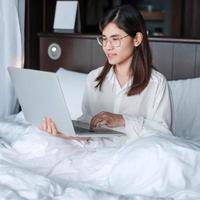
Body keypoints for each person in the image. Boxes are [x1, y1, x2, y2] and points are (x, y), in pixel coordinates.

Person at [40, 4, 173, 142]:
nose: (107, 46)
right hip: (96, 154)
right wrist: (64, 133)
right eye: (104, 39)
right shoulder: (94, 78)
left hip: (135, 157)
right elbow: (88, 128)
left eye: (115, 39)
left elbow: (163, 134)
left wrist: (122, 120)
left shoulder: (157, 83)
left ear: (137, 39)